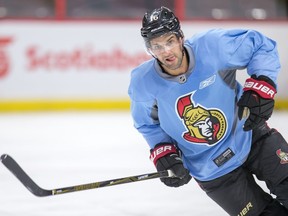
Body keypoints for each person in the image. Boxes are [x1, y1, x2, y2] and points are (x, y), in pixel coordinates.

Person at [128, 6, 288, 216]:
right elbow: (147, 124)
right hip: (212, 169)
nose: (165, 51)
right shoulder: (143, 82)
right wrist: (163, 152)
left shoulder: (213, 47)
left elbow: (260, 45)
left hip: (250, 135)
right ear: (149, 49)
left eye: (169, 41)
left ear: (180, 38)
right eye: (156, 46)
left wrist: (261, 85)